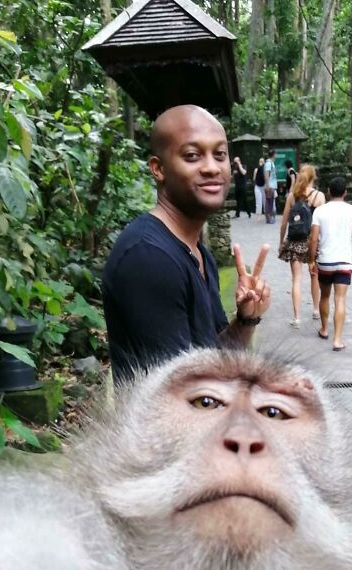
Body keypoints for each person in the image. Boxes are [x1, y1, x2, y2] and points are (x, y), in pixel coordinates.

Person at [101, 104, 271, 384]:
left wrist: (246, 320)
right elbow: (179, 393)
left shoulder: (198, 253)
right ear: (158, 169)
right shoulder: (149, 257)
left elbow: (214, 354)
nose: (211, 168)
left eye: (220, 155)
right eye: (192, 156)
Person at [308, 176, 352, 351]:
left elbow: (313, 239)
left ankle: (325, 329)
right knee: (340, 299)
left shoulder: (319, 211)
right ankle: (337, 339)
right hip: (344, 262)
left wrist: (311, 260)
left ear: (328, 192)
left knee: (324, 296)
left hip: (325, 262)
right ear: (345, 193)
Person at [278, 164, 325, 327]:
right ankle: (316, 310)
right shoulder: (319, 196)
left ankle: (297, 318)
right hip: (312, 241)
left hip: (294, 241)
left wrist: (281, 241)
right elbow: (323, 224)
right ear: (314, 178)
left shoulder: (293, 196)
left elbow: (284, 222)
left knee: (296, 279)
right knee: (315, 275)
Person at [263, 148, 277, 224]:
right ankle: (268, 218)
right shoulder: (269, 163)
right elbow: (266, 174)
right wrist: (268, 185)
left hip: (272, 185)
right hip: (270, 185)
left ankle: (269, 218)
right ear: (273, 154)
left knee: (270, 202)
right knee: (269, 202)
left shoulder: (271, 163)